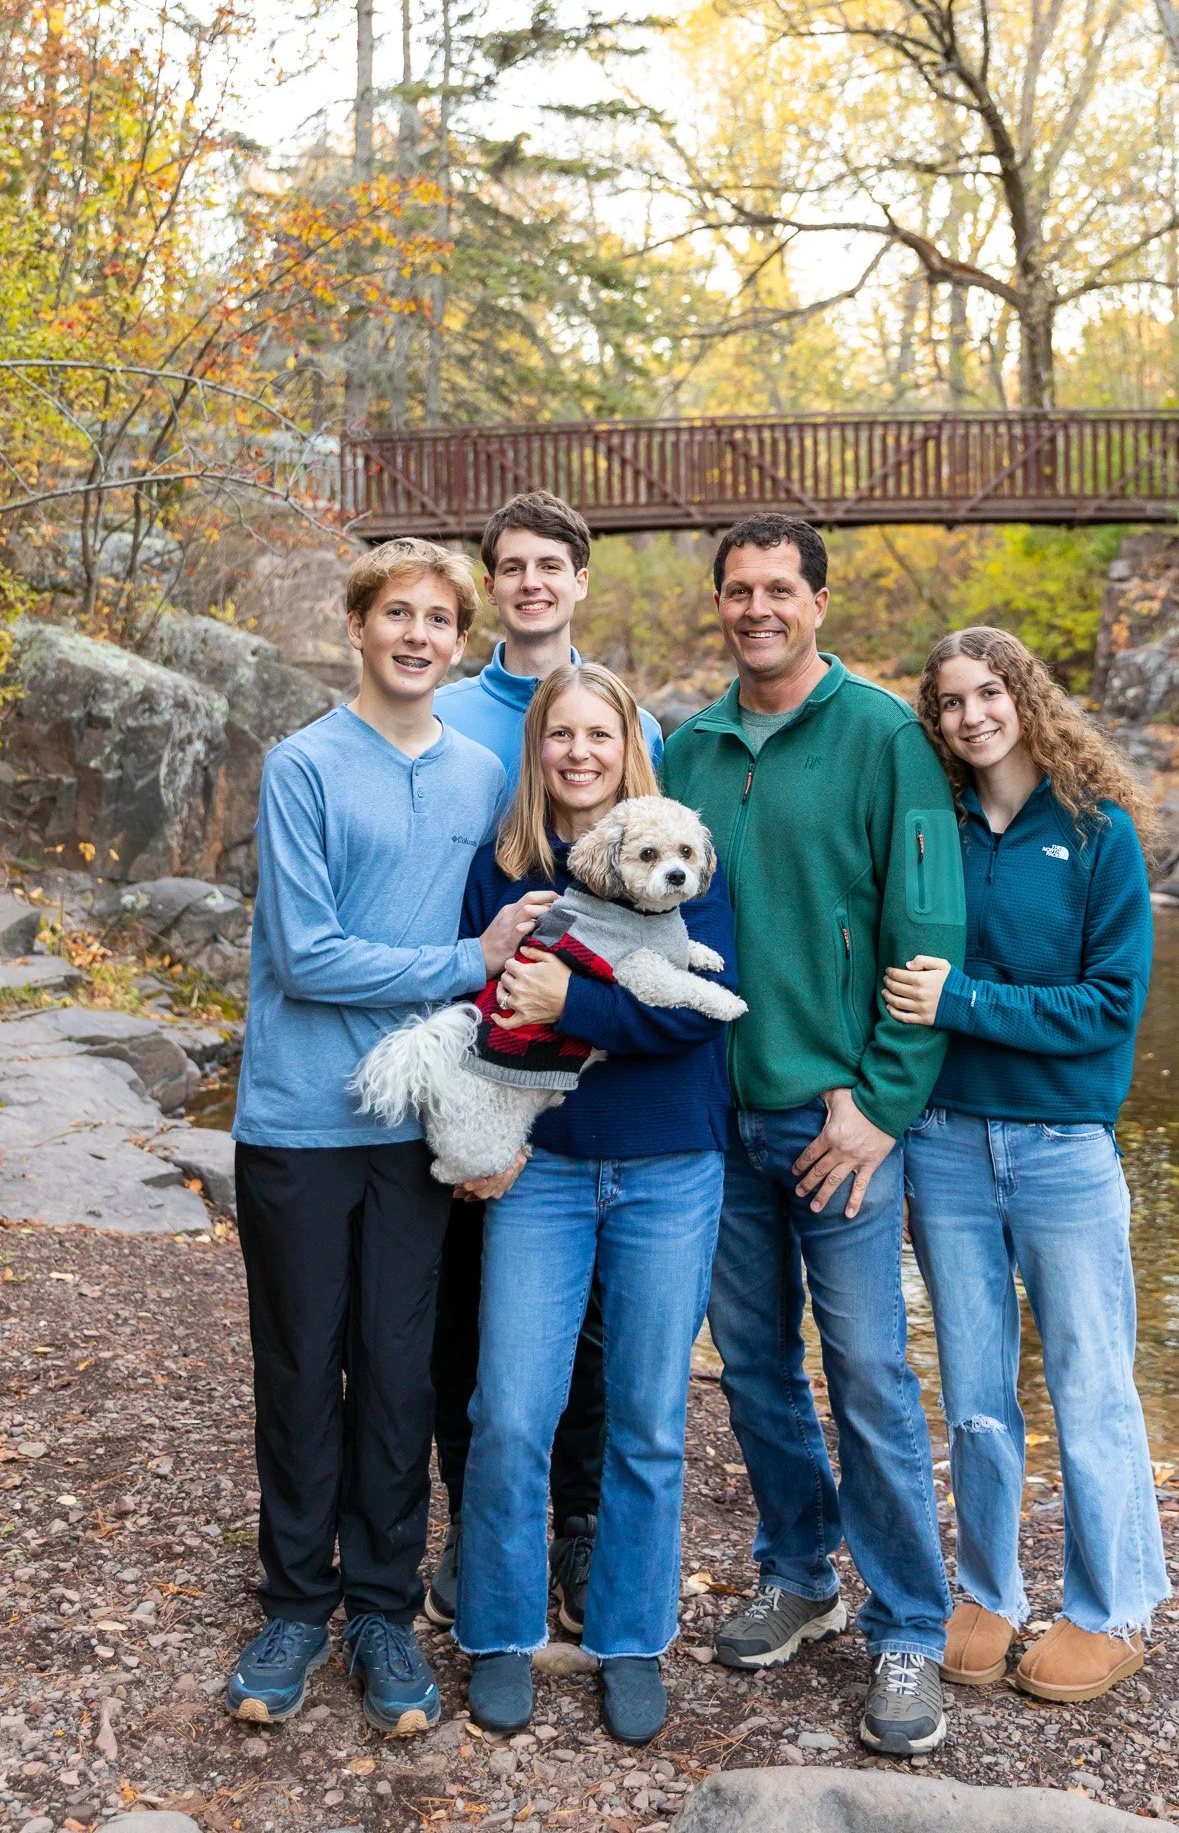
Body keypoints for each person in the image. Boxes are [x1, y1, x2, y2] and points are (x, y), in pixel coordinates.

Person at [226, 538, 553, 1736]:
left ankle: (381, 1607)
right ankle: (295, 1604)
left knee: (403, 1373)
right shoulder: (302, 766)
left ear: (459, 641)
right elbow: (307, 956)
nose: (418, 635)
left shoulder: (481, 776)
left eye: (438, 619)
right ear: (358, 626)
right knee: (304, 1368)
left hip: (422, 1124)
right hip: (302, 1122)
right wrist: (463, 963)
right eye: (396, 613)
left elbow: (536, 919)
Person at [659, 514, 966, 1759]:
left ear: (819, 601)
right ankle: (799, 1569)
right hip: (712, 1118)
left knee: (873, 1374)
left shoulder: (885, 736)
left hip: (832, 1117)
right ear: (721, 604)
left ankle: (909, 1619)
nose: (757, 607)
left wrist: (880, 1100)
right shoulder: (687, 745)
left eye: (780, 587)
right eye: (738, 590)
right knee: (755, 1367)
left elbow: (927, 929)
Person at [453, 662, 737, 1747]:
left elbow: (704, 1014)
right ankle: (498, 1628)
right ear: (539, 749)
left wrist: (579, 999)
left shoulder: (679, 844)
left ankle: (629, 1638)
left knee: (648, 1420)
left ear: (630, 745)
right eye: (560, 734)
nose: (579, 752)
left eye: (599, 734)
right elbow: (487, 1006)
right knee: (511, 1412)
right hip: (548, 1168)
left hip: (671, 1161)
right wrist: (491, 1130)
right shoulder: (509, 867)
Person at [884, 625, 1169, 1702]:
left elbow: (1108, 1008)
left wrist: (961, 1001)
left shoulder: (1098, 833)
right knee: (972, 1387)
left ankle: (1112, 1606)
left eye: (988, 691)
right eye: (950, 699)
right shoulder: (934, 829)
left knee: (1092, 1381)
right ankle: (988, 1590)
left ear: (1025, 698)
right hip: (945, 1141)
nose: (971, 714)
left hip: (1061, 1149)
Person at [425, 492, 662, 1635]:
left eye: (550, 565)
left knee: (598, 1326)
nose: (530, 582)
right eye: (510, 565)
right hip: (481, 1053)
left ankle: (576, 1528)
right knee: (469, 1313)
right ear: (494, 584)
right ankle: (480, 1521)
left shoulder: (626, 717)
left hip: (600, 1081)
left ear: (578, 582)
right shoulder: (455, 715)